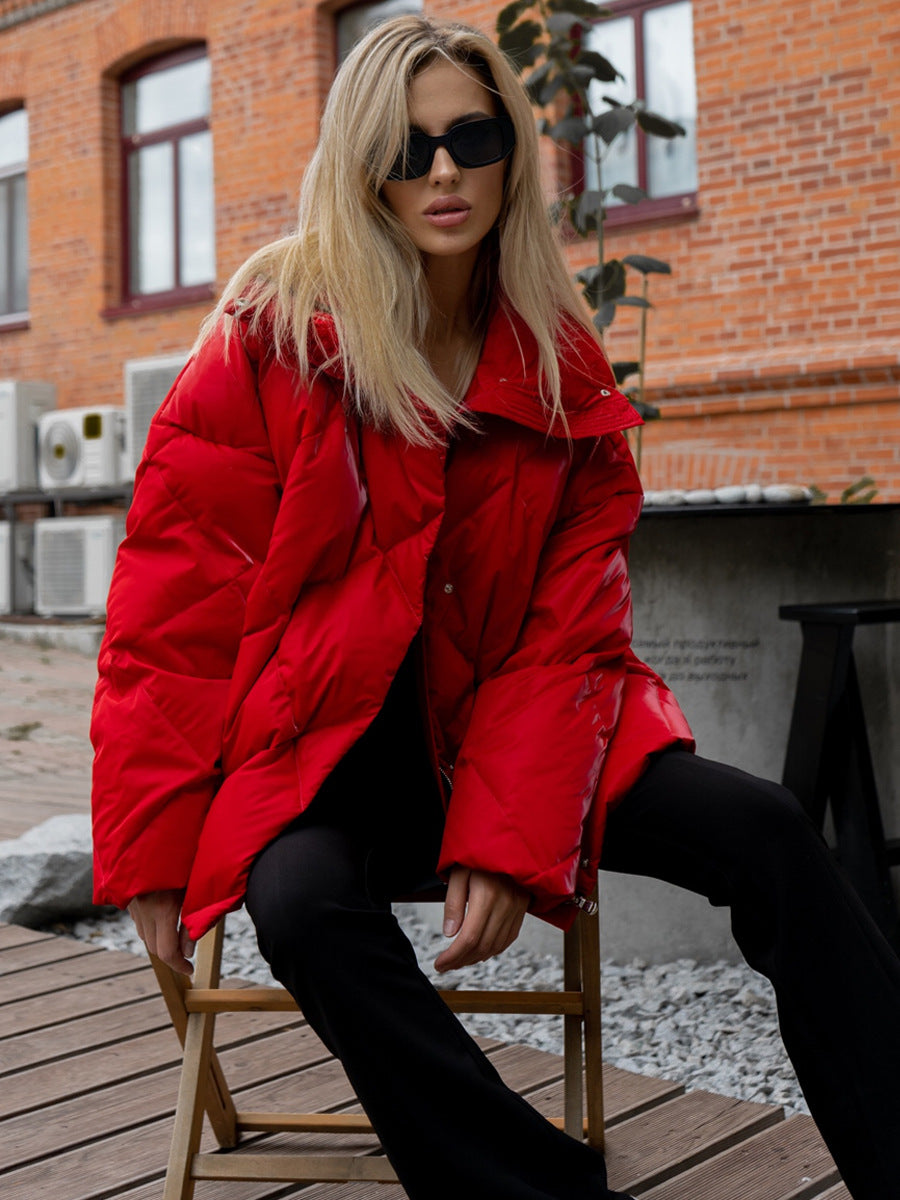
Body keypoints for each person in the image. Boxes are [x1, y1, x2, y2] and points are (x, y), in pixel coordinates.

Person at [90, 15, 900, 1200]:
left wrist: (506, 837)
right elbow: (173, 606)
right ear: (358, 165)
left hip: (515, 734)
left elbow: (571, 629)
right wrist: (153, 846)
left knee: (773, 832)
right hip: (320, 754)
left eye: (471, 139)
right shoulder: (274, 336)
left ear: (511, 152)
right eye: (406, 148)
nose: (443, 172)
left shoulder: (558, 361)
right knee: (299, 905)